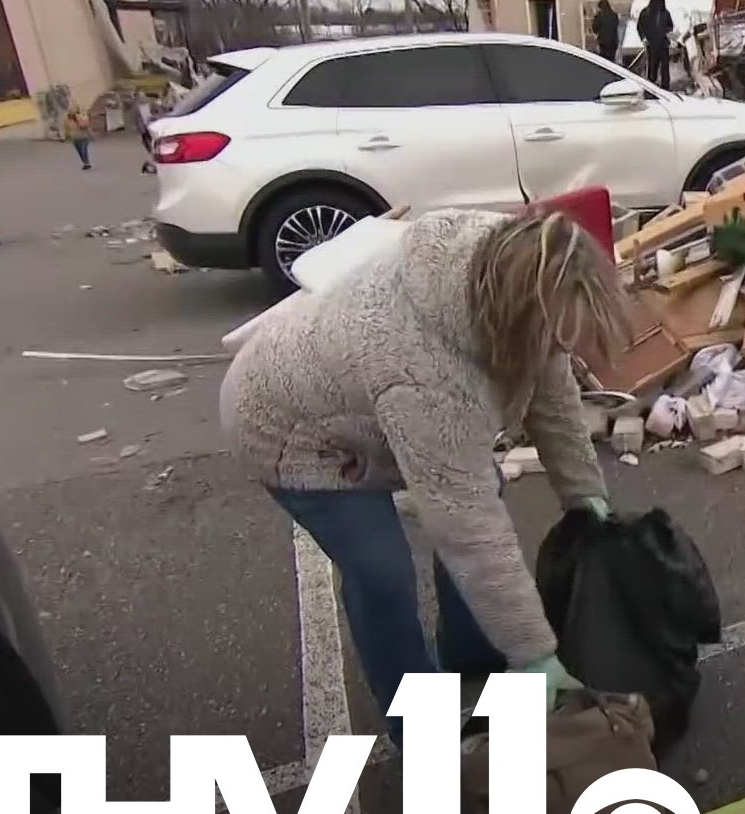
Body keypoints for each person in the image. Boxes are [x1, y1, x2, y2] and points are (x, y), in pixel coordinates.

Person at [219, 207, 630, 744]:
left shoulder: (522, 270)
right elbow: (466, 523)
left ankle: (473, 648)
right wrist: (536, 652)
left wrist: (585, 496)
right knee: (381, 568)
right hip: (288, 428)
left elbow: (551, 396)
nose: (559, 350)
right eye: (552, 339)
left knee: (481, 492)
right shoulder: (421, 366)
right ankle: (418, 728)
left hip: (355, 397)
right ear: (516, 316)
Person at [637, 0, 674, 89]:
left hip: (663, 44)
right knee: (652, 66)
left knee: (664, 67)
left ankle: (665, 86)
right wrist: (643, 38)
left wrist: (668, 33)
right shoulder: (646, 13)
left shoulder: (665, 13)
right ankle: (651, 86)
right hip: (651, 44)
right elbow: (640, 26)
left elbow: (670, 26)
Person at [590, 0, 622, 64]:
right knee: (612, 60)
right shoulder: (615, 15)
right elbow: (616, 25)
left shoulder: (599, 15)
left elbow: (594, 27)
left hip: (603, 42)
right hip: (613, 42)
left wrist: (596, 33)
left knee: (604, 62)